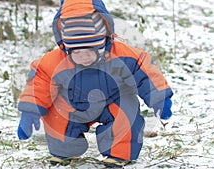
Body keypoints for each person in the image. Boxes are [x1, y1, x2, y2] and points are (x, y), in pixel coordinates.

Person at [17, 0, 173, 167]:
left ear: (104, 39)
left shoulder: (121, 54)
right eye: (76, 51)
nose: (84, 57)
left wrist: (159, 98)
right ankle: (65, 150)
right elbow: (39, 83)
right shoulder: (55, 61)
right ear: (65, 46)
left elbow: (145, 72)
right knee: (57, 115)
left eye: (91, 49)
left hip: (113, 100)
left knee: (127, 113)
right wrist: (30, 110)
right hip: (74, 103)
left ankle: (118, 153)